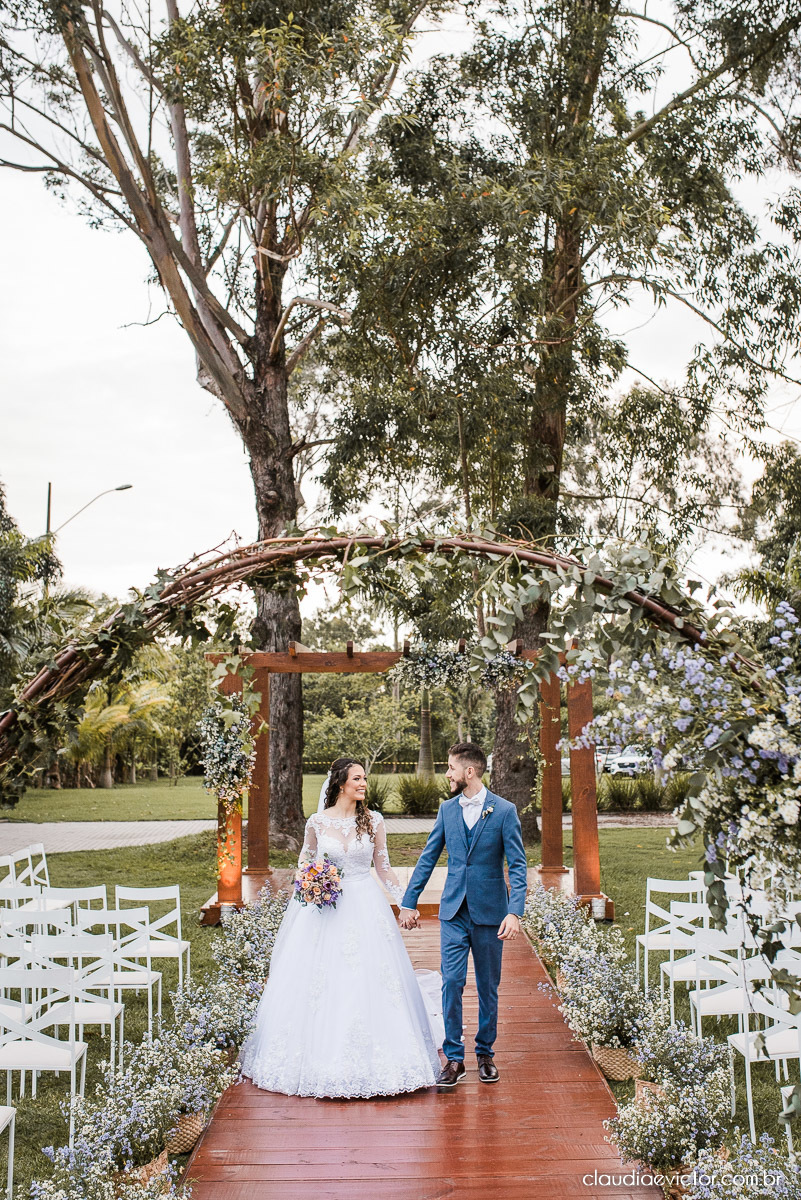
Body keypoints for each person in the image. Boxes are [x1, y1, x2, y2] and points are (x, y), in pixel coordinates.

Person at [239, 758, 442, 1099]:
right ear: (341, 784)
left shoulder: (374, 821)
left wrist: (404, 903)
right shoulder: (317, 822)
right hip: (326, 910)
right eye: (358, 778)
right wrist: (314, 880)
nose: (364, 783)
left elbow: (384, 868)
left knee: (370, 978)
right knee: (323, 980)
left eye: (365, 778)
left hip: (366, 906)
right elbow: (305, 862)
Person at [399, 741, 528, 1089]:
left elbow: (517, 865)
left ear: (468, 772)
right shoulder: (447, 810)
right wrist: (409, 901)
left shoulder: (504, 811)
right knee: (452, 981)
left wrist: (515, 911)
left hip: (491, 915)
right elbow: (428, 856)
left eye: (451, 768)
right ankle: (454, 1058)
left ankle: (485, 1053)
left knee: (488, 987)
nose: (447, 774)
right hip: (453, 911)